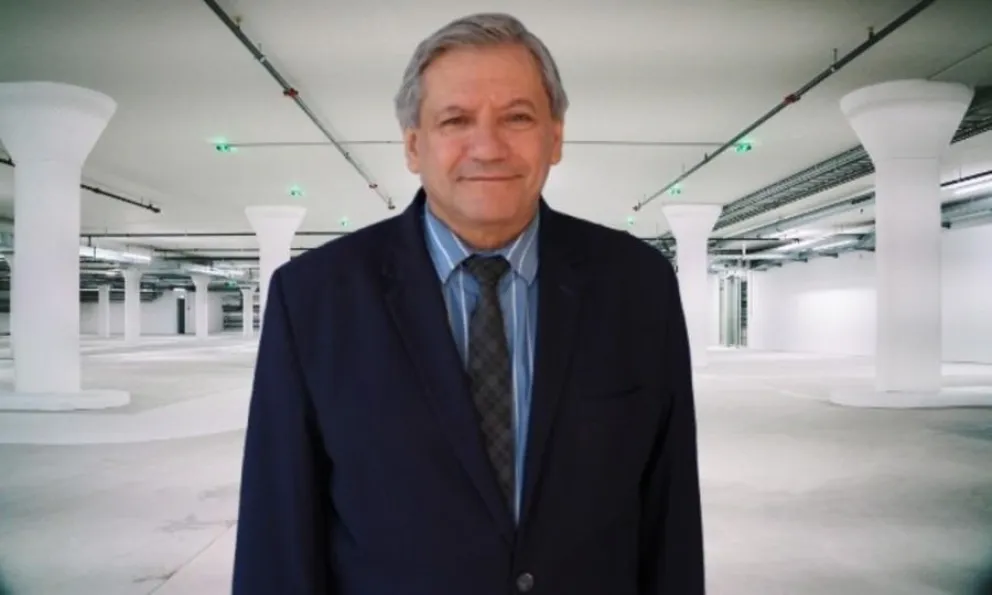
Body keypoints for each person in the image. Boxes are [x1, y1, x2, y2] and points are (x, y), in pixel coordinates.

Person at [232, 12, 705, 595]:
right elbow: (277, 534)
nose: (488, 147)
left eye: (518, 117)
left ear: (555, 137)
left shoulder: (639, 286)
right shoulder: (313, 299)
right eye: (455, 120)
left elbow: (670, 513)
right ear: (414, 145)